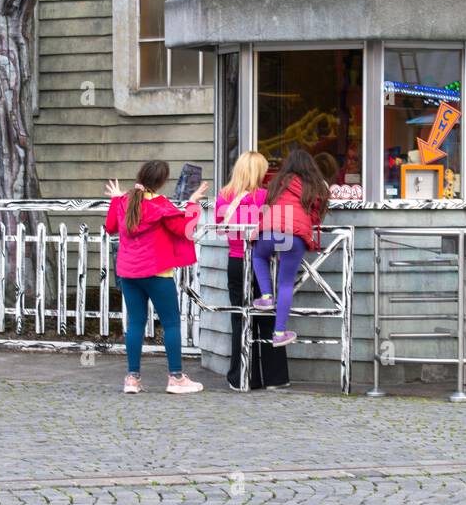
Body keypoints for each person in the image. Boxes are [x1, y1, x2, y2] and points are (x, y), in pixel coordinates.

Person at [104, 160, 209, 394]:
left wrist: (116, 198)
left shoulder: (124, 202)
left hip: (129, 273)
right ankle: (176, 378)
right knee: (171, 323)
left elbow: (110, 226)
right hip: (157, 273)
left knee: (135, 324)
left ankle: (132, 378)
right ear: (161, 182)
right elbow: (186, 230)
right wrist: (192, 204)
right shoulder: (161, 206)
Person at [215, 151, 289, 391]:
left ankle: (242, 376)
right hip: (262, 263)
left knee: (239, 318)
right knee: (267, 317)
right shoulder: (266, 197)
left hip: (236, 261)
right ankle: (275, 377)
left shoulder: (224, 196)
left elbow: (221, 230)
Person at [252, 147, 329, 348]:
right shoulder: (315, 187)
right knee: (285, 284)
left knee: (259, 256)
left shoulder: (277, 182)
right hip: (294, 236)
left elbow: (267, 204)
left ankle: (266, 297)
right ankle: (279, 333)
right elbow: (315, 216)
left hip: (269, 231)